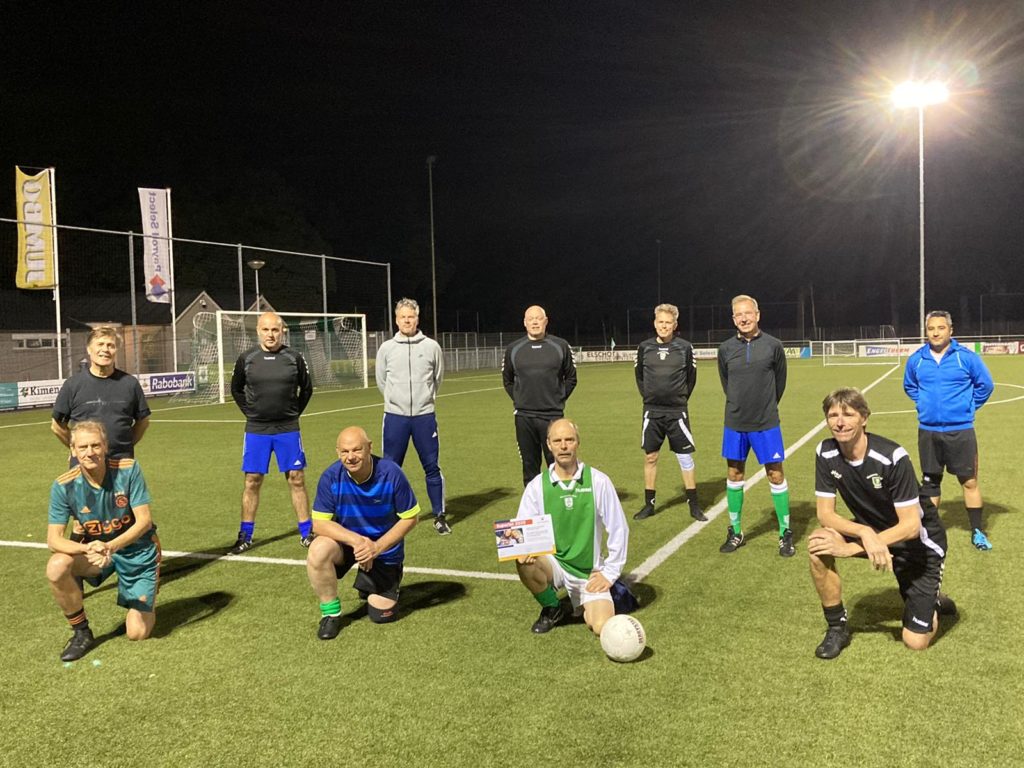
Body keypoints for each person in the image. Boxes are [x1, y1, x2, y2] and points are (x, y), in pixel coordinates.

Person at [808, 388, 956, 659]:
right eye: (833, 415)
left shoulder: (891, 457)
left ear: (864, 418)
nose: (839, 422)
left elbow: (911, 526)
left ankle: (932, 600)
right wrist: (864, 532)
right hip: (874, 530)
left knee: (915, 641)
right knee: (819, 543)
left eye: (848, 414)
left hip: (918, 545)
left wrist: (852, 547)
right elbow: (825, 514)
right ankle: (837, 627)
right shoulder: (825, 452)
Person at [46, 421, 161, 661]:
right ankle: (81, 632)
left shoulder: (128, 470)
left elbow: (144, 522)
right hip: (97, 554)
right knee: (57, 566)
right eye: (83, 447)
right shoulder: (63, 485)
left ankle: (146, 590)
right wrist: (87, 547)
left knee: (137, 633)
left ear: (106, 447)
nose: (90, 452)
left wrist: (110, 546)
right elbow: (54, 540)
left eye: (96, 445)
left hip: (137, 552)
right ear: (73, 450)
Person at [514, 418, 629, 637]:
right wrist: (523, 551)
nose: (564, 446)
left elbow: (619, 529)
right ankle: (552, 607)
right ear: (549, 444)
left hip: (589, 572)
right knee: (524, 564)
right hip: (555, 564)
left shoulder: (598, 481)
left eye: (569, 440)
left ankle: (587, 604)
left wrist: (609, 573)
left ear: (578, 442)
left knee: (601, 627)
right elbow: (523, 529)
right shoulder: (537, 486)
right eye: (557, 441)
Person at [306, 426, 419, 640]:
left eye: (357, 450)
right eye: (345, 451)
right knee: (318, 549)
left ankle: (375, 583)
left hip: (382, 548)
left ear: (369, 448)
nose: (351, 457)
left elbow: (410, 518)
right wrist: (358, 542)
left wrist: (375, 548)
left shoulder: (391, 473)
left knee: (381, 615)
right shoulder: (331, 476)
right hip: (349, 543)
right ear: (338, 452)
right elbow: (319, 524)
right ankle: (330, 614)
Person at [904, 310, 995, 550]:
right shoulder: (916, 359)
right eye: (931, 328)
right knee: (930, 483)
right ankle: (929, 533)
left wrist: (968, 407)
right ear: (926, 331)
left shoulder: (965, 357)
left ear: (951, 330)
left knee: (969, 482)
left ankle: (977, 531)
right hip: (928, 431)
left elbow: (986, 385)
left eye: (941, 328)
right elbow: (910, 386)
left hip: (961, 431)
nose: (936, 333)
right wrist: (924, 404)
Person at [228, 311, 314, 554]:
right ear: (258, 331)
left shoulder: (294, 358)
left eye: (275, 330)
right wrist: (251, 412)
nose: (270, 334)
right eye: (265, 329)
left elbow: (307, 389)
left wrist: (293, 413)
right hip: (257, 429)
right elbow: (236, 389)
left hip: (288, 428)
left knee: (296, 478)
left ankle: (307, 533)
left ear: (282, 332)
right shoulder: (247, 358)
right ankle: (245, 536)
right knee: (252, 480)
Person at [716, 294, 793, 557]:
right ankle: (736, 531)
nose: (744, 318)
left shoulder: (773, 345)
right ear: (733, 319)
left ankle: (785, 532)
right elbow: (727, 383)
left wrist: (766, 407)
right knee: (735, 474)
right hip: (735, 422)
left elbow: (780, 382)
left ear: (757, 315)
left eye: (748, 313)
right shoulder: (725, 349)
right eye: (738, 314)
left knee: (775, 474)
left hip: (766, 423)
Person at [375, 298, 450, 535]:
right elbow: (381, 381)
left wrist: (424, 400)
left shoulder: (432, 347)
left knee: (431, 466)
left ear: (417, 319)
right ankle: (388, 515)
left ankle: (439, 515)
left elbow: (437, 379)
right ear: (396, 320)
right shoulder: (386, 348)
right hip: (395, 417)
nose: (407, 321)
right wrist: (396, 401)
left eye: (411, 316)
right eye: (403, 317)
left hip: (424, 417)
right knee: (390, 467)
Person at [633, 303, 705, 522]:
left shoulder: (685, 347)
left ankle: (694, 505)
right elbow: (639, 377)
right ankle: (649, 505)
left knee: (684, 457)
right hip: (652, 411)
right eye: (660, 322)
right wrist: (650, 397)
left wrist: (678, 398)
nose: (664, 326)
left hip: (677, 412)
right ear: (655, 323)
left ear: (675, 325)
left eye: (668, 322)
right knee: (651, 456)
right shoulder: (644, 347)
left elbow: (691, 379)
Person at [502, 305, 577, 486]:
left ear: (546, 321)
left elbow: (571, 378)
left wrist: (558, 398)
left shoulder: (560, 346)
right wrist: (520, 399)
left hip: (552, 416)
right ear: (525, 323)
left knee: (558, 464)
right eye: (531, 319)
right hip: (524, 417)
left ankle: (558, 501)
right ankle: (533, 502)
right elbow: (507, 381)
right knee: (529, 466)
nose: (535, 322)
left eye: (538, 318)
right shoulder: (514, 349)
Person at [51, 325, 151, 460]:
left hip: (122, 463)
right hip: (85, 464)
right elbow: (57, 426)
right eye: (100, 344)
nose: (105, 349)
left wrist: (125, 447)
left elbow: (143, 422)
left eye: (111, 345)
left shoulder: (130, 384)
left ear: (116, 350)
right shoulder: (72, 385)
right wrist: (77, 448)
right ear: (89, 349)